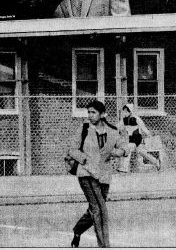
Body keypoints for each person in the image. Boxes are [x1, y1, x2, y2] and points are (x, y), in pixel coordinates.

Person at [68, 100, 129, 248]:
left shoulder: (112, 131)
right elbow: (72, 150)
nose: (90, 115)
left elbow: (124, 147)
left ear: (102, 114)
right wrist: (84, 159)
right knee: (99, 210)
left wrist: (118, 152)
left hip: (104, 175)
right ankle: (104, 246)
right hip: (86, 173)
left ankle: (78, 230)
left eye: (93, 112)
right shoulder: (84, 128)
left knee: (94, 209)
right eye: (88, 112)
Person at [117, 103, 160, 173]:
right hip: (131, 138)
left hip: (137, 138)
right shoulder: (124, 120)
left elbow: (143, 127)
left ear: (130, 111)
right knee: (142, 152)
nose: (124, 113)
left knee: (128, 147)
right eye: (123, 111)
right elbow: (117, 126)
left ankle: (124, 168)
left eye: (126, 111)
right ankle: (156, 162)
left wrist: (148, 134)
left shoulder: (136, 119)